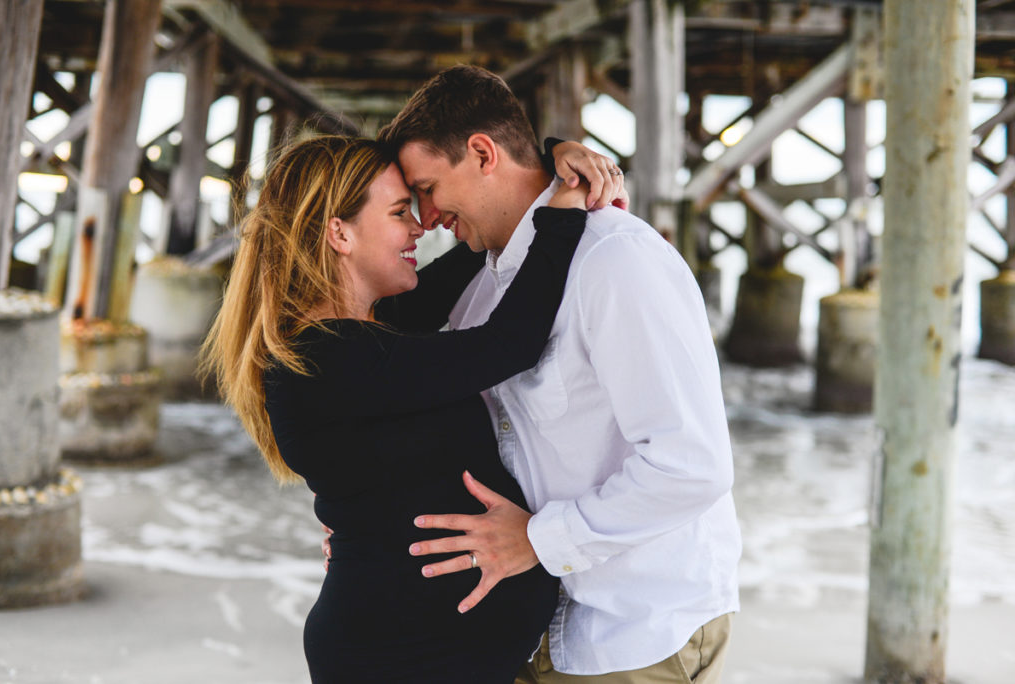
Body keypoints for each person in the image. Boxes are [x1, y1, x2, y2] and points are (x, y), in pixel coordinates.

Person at [200, 134, 625, 684]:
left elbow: (483, 243)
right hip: (398, 658)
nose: (421, 227)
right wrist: (563, 212)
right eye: (402, 211)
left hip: (421, 651)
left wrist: (546, 161)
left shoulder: (362, 335)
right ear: (339, 232)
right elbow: (508, 343)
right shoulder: (327, 357)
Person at [375, 65, 742, 683]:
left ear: (483, 153)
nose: (428, 216)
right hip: (530, 630)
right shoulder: (482, 282)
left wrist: (539, 541)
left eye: (430, 188)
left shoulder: (613, 260)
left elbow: (692, 464)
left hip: (635, 630)